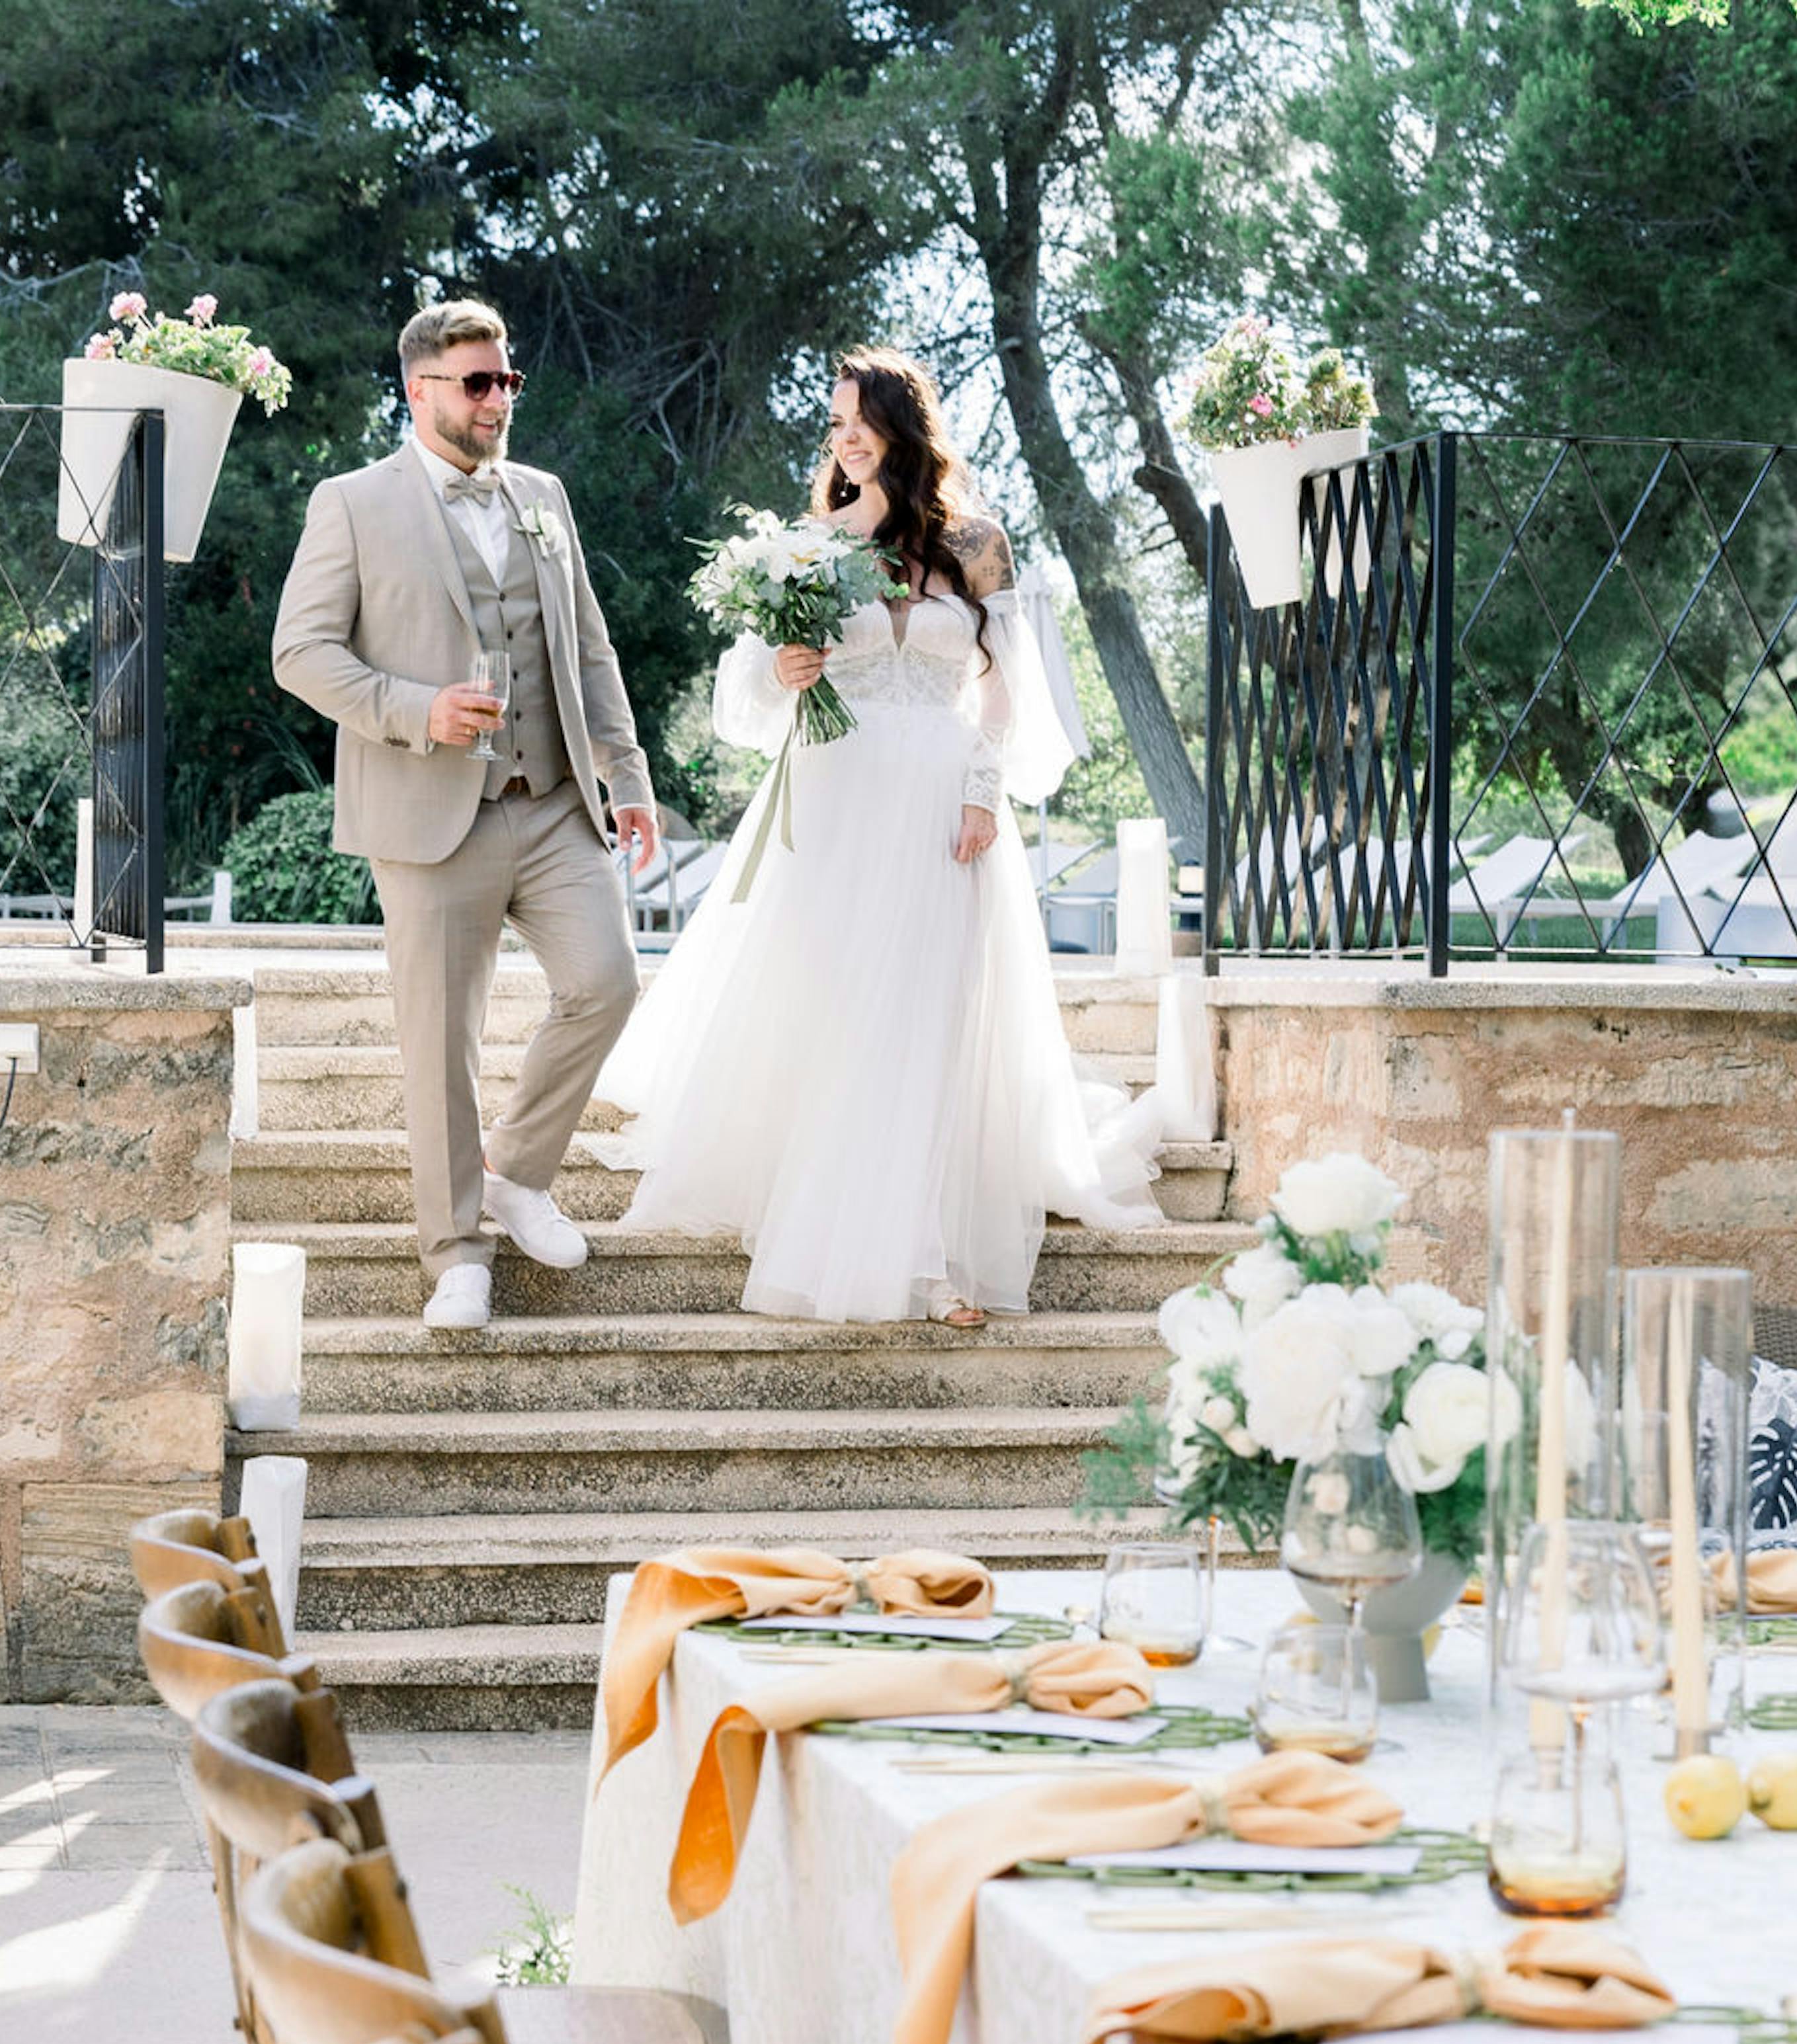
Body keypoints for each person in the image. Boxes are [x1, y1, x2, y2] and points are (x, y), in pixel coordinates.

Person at [599, 347, 1160, 1325]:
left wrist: (986, 794)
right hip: (835, 801)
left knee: (929, 1018)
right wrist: (786, 668)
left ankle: (931, 1251)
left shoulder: (978, 543)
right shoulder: (812, 543)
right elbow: (745, 693)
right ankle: (857, 1230)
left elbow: (1007, 688)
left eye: (858, 420)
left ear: (903, 428)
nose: (844, 439)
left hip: (944, 804)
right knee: (839, 1009)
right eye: (834, 424)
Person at [272, 299, 660, 1330]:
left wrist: (625, 774)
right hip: (429, 811)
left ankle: (516, 1172)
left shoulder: (544, 496)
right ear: (420, 389)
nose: (499, 400)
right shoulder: (352, 503)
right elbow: (301, 652)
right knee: (440, 1041)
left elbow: (589, 648)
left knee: (608, 983)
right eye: (478, 383)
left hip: (554, 802)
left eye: (508, 381)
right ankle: (455, 1253)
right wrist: (417, 712)